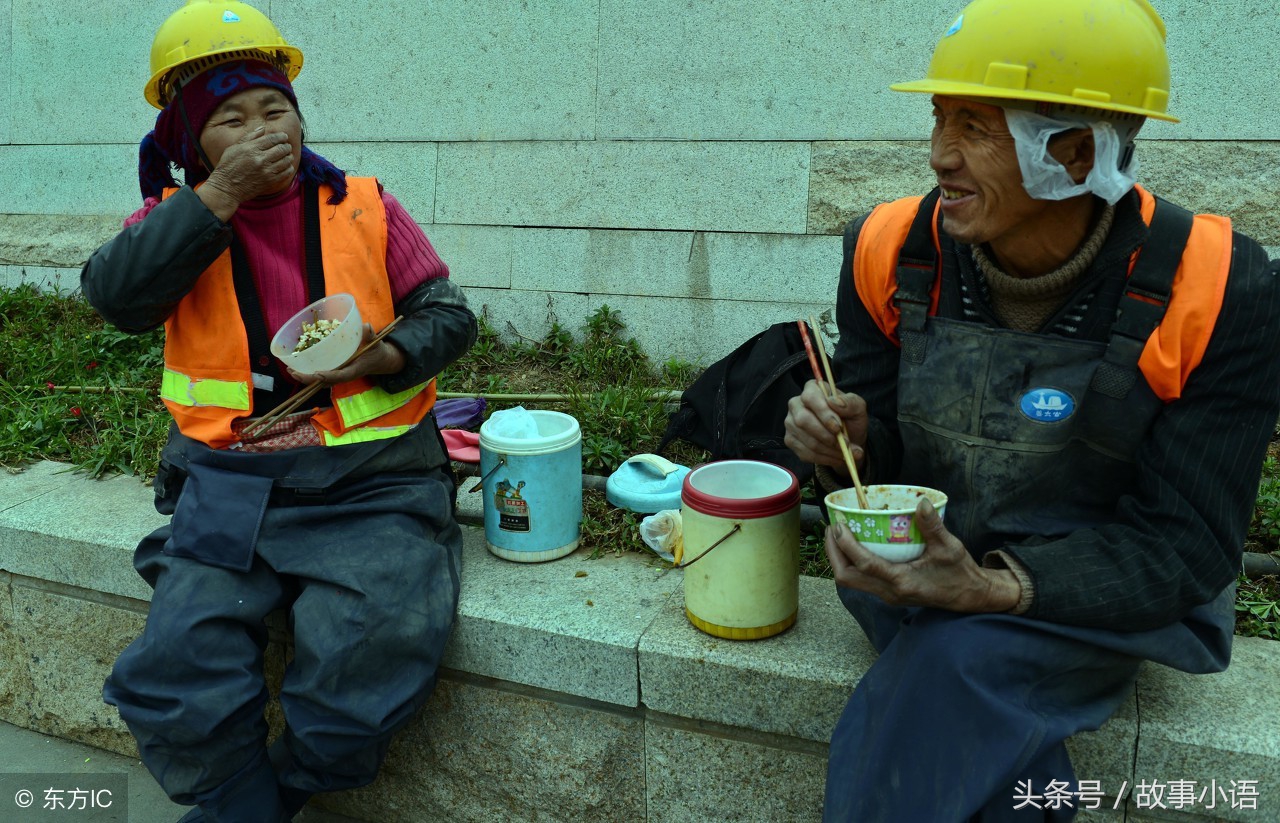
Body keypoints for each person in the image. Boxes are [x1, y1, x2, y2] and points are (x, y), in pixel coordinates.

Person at [783, 1, 1280, 820]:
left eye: (976, 126)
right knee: (964, 674)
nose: (939, 155)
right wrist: (850, 450)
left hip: (1103, 596)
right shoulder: (889, 249)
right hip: (916, 569)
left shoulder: (1219, 286)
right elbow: (887, 475)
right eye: (940, 116)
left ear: (1074, 152)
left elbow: (1188, 545)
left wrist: (994, 587)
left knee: (957, 659)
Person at [81, 1, 476, 820]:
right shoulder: (171, 220)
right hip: (228, 485)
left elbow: (448, 314)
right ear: (193, 145)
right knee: (178, 662)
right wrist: (218, 197)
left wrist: (387, 355)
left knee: (374, 648)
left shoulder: (362, 203)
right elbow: (115, 297)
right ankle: (236, 799)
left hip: (371, 482)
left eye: (277, 110)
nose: (267, 130)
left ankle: (282, 788)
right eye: (232, 119)